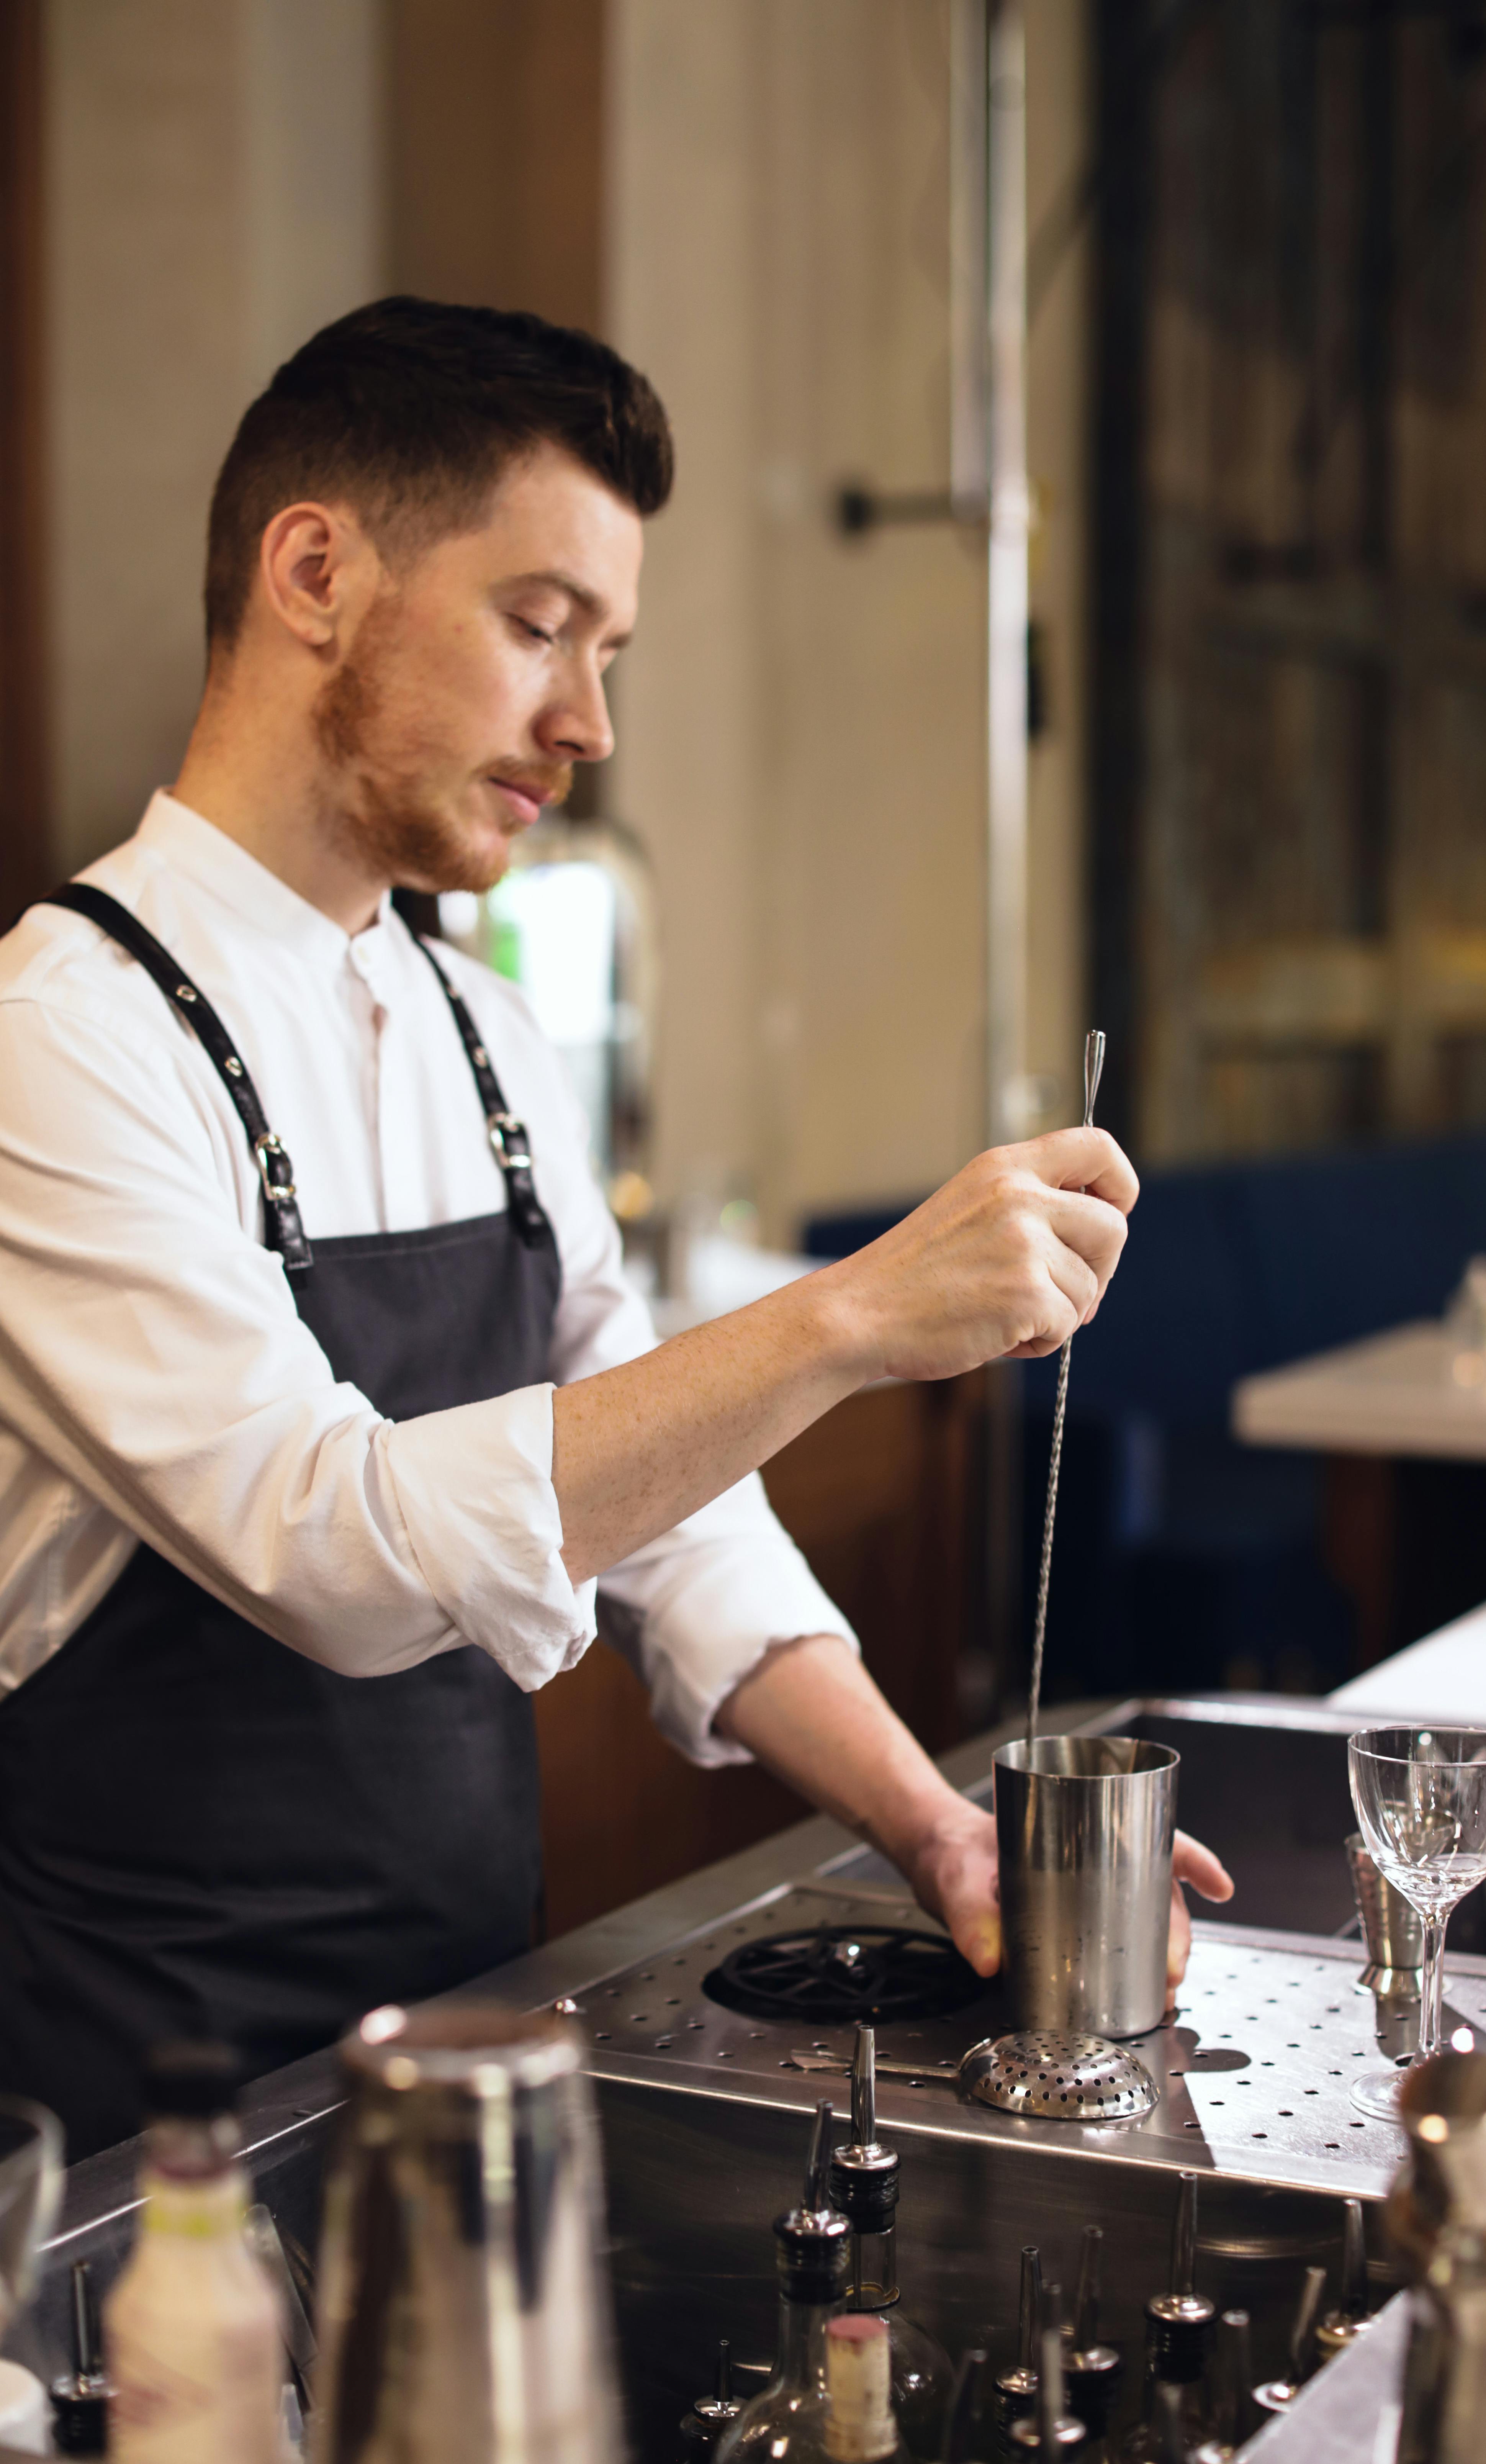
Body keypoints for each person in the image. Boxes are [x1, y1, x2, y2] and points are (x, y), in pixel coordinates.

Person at [0, 299, 1231, 2158]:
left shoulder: (484, 1035)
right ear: (315, 571)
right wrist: (847, 1318)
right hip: (138, 2140)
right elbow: (328, 1549)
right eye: (536, 625)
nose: (584, 722)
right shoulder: (61, 1040)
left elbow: (681, 1516)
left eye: (607, 649)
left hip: (463, 2068)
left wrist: (931, 1823)